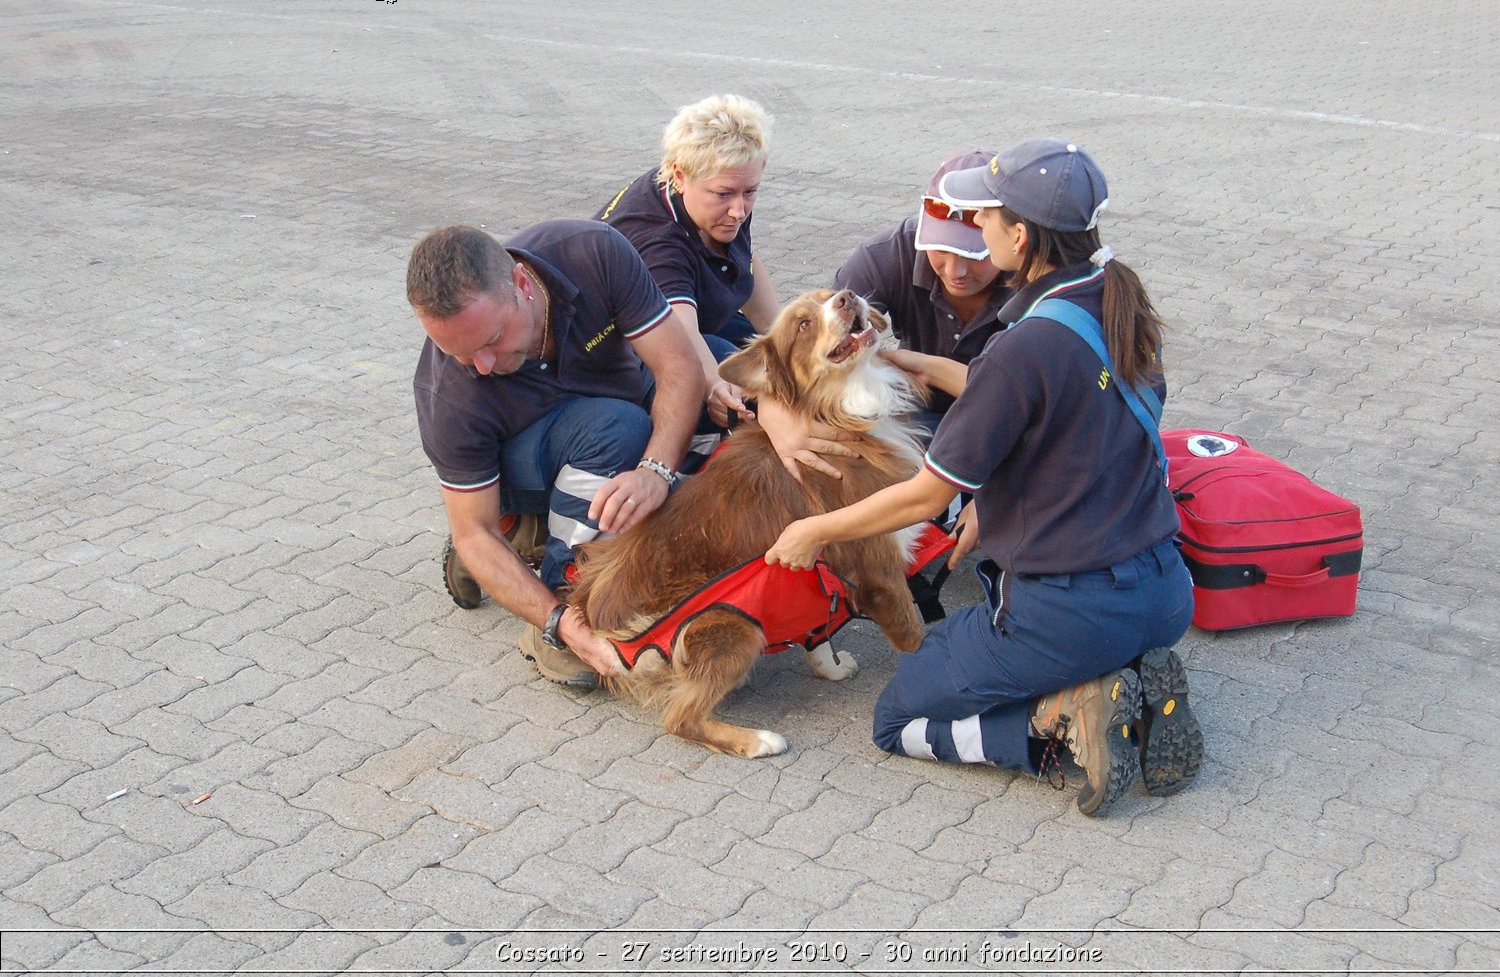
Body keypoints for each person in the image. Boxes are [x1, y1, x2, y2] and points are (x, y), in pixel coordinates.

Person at [766, 139, 1203, 817]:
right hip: (1167, 592)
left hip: (1071, 612)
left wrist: (813, 529)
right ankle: (1128, 675)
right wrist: (903, 355)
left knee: (897, 717)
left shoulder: (1020, 346)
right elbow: (1045, 397)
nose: (975, 228)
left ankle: (1062, 723)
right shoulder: (1119, 301)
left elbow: (928, 495)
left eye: (985, 217)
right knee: (967, 646)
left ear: (1019, 235)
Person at [408, 220, 702, 690]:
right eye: (460, 354)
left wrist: (656, 472)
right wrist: (560, 621)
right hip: (526, 465)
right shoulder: (449, 395)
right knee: (616, 431)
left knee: (719, 383)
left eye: (490, 342)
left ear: (522, 285)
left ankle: (543, 532)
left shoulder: (591, 252)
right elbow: (473, 530)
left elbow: (680, 365)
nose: (480, 366)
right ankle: (563, 592)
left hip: (608, 405)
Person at [597, 94, 780, 431]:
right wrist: (717, 388)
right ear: (680, 176)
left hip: (693, 312)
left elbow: (746, 265)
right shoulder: (656, 237)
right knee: (732, 366)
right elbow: (682, 336)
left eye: (750, 192)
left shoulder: (719, 192)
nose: (739, 210)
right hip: (619, 354)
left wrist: (789, 343)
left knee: (770, 352)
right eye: (724, 194)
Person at [834, 150, 1009, 434]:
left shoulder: (1037, 276)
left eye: (975, 254)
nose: (955, 271)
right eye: (941, 248)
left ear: (1014, 236)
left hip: (1006, 422)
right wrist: (776, 416)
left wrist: (929, 368)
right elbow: (812, 341)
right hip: (912, 412)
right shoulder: (889, 253)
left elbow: (1032, 399)